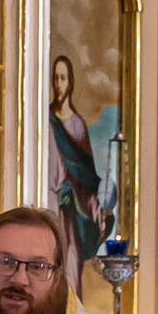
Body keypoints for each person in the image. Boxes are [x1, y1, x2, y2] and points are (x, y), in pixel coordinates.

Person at [47, 55, 108, 286]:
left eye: (63, 78)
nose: (58, 84)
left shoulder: (77, 125)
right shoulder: (47, 121)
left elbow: (86, 178)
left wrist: (99, 208)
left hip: (72, 216)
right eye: (55, 79)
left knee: (71, 267)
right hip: (51, 208)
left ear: (70, 82)